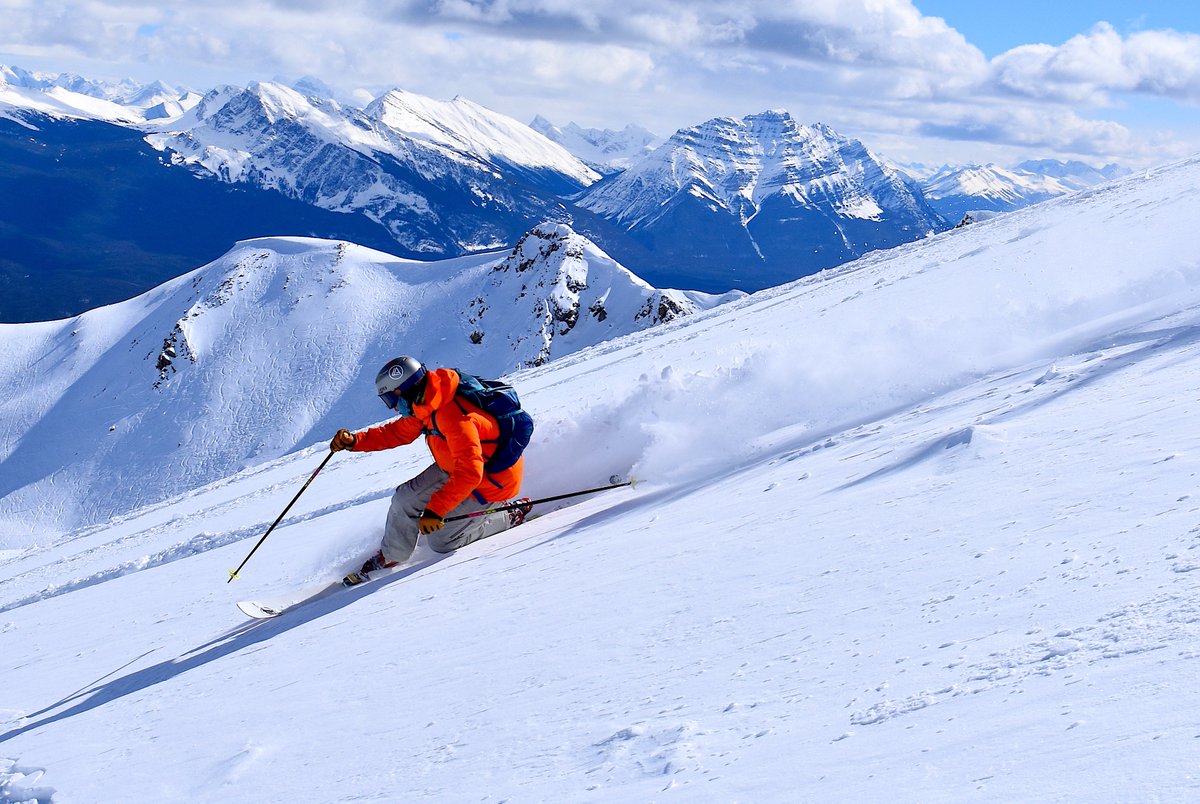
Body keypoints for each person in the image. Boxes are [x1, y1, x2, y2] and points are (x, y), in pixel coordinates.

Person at [331, 356, 531, 585]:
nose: (393, 408)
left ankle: (508, 515)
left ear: (403, 391)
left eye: (390, 400)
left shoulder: (454, 417)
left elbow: (471, 473)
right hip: (453, 467)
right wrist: (355, 441)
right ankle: (392, 556)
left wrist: (436, 510)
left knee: (442, 541)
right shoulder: (425, 404)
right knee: (405, 499)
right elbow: (397, 433)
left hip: (490, 481)